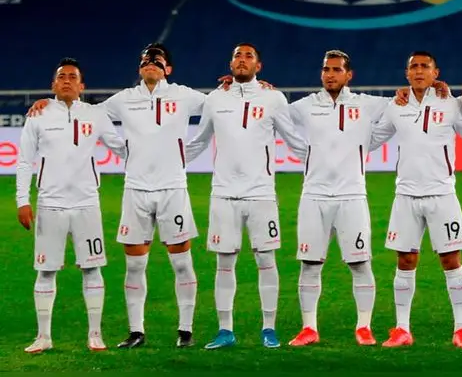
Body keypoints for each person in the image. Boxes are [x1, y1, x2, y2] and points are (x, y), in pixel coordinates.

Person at [25, 44, 204, 348]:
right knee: (135, 266)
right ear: (139, 67)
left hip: (174, 189)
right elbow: (80, 108)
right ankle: (136, 331)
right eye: (145, 59)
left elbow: (222, 108)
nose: (150, 63)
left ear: (168, 69)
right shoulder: (123, 99)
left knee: (182, 264)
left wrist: (256, 90)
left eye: (157, 60)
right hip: (134, 191)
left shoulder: (185, 95)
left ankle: (185, 330)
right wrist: (49, 102)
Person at [184, 43, 309, 350]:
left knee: (266, 260)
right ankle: (225, 330)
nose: (242, 60)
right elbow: (198, 141)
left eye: (248, 56)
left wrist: (325, 163)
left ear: (259, 66)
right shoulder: (215, 98)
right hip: (223, 194)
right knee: (224, 263)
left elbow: (295, 141)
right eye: (237, 56)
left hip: (261, 193)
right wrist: (167, 161)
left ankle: (269, 328)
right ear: (230, 64)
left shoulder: (273, 98)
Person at [16, 58, 126, 353]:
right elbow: (25, 160)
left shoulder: (96, 115)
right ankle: (43, 337)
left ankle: (95, 334)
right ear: (53, 85)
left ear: (82, 86)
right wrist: (23, 201)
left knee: (92, 269)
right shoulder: (38, 115)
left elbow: (122, 148)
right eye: (61, 76)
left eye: (72, 76)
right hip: (50, 204)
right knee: (46, 271)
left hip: (86, 203)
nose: (66, 80)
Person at [371, 51, 462, 348]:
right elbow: (371, 139)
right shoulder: (396, 105)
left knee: (451, 259)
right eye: (413, 67)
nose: (419, 71)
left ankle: (461, 328)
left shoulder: (451, 103)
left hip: (442, 194)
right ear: (406, 74)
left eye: (424, 66)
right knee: (405, 260)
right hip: (405, 195)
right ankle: (402, 329)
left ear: (436, 72)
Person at [286, 50, 390, 347]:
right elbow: (273, 114)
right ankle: (309, 328)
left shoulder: (367, 104)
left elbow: (403, 102)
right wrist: (252, 87)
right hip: (314, 196)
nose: (330, 74)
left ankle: (364, 326)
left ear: (349, 75)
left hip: (352, 196)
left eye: (336, 69)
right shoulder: (306, 106)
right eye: (326, 70)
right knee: (310, 264)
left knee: (360, 264)